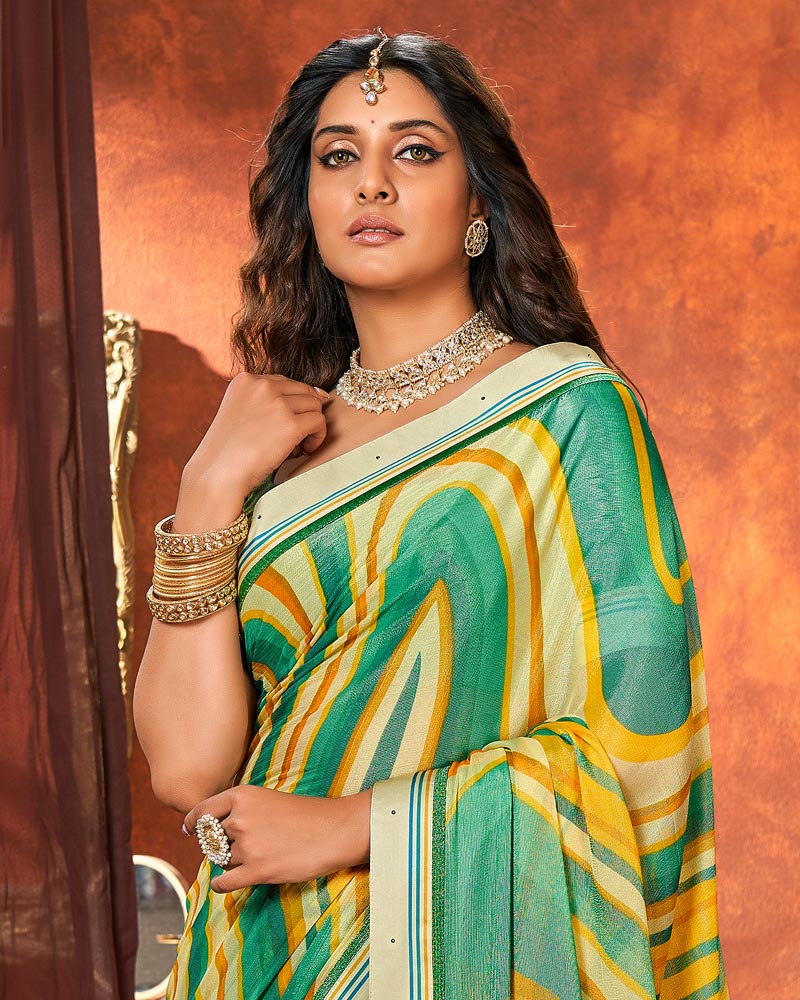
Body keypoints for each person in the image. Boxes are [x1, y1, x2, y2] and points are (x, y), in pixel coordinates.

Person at [133, 27, 730, 1000]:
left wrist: (355, 824)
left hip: (454, 952)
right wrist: (205, 488)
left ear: (478, 204)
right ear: (307, 204)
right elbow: (189, 773)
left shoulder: (564, 414)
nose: (371, 184)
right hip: (257, 952)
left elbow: (641, 740)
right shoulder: (270, 450)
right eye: (337, 158)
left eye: (413, 151)